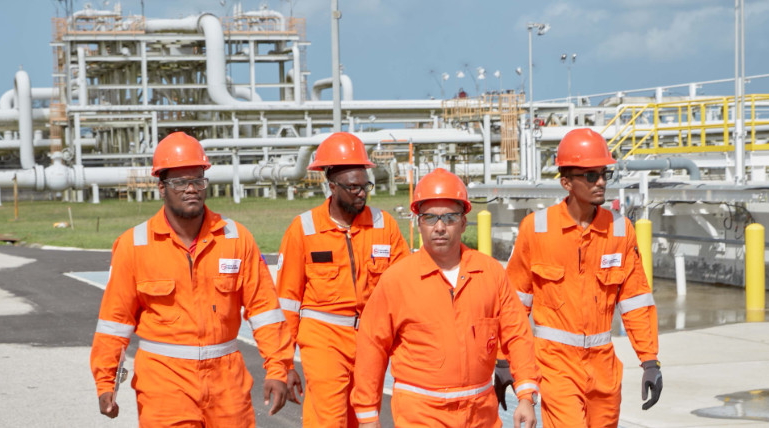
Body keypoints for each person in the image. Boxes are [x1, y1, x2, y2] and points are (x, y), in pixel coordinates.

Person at [89, 132, 297, 427]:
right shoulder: (133, 245)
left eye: (198, 180)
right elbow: (114, 321)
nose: (191, 189)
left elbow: (265, 311)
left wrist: (278, 368)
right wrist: (105, 382)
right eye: (179, 182)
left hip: (228, 385)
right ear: (161, 187)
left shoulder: (236, 238)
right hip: (164, 384)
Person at [352, 168, 539, 428]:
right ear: (419, 223)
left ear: (463, 222)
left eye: (450, 218)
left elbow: (517, 335)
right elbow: (372, 347)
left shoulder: (490, 273)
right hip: (421, 415)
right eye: (430, 218)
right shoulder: (397, 280)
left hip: (480, 415)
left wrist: (526, 396)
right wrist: (367, 416)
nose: (439, 227)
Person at [504, 128, 661, 428]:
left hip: (603, 369)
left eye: (604, 173)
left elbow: (636, 301)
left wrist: (649, 360)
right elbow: (512, 305)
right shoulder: (536, 229)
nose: (600, 181)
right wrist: (503, 360)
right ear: (566, 182)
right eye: (590, 176)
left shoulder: (620, 230)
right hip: (555, 365)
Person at [275, 132, 411, 427]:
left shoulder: (383, 225)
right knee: (329, 418)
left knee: (363, 415)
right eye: (353, 188)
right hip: (323, 339)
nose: (362, 194)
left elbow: (408, 284)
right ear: (332, 186)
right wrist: (283, 364)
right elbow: (287, 302)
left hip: (371, 340)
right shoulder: (304, 229)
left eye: (365, 186)